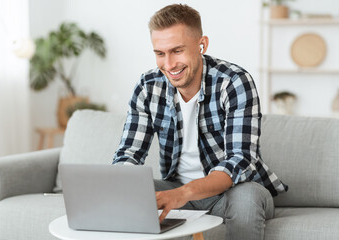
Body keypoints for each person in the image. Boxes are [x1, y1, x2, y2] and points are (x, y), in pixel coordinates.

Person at [113, 4, 288, 240]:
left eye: (177, 51)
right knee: (133, 195)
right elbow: (129, 153)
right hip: (176, 188)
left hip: (234, 191)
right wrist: (122, 186)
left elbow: (240, 159)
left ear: (201, 44)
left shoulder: (234, 82)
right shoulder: (148, 86)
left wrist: (184, 193)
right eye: (160, 53)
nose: (169, 64)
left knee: (247, 199)